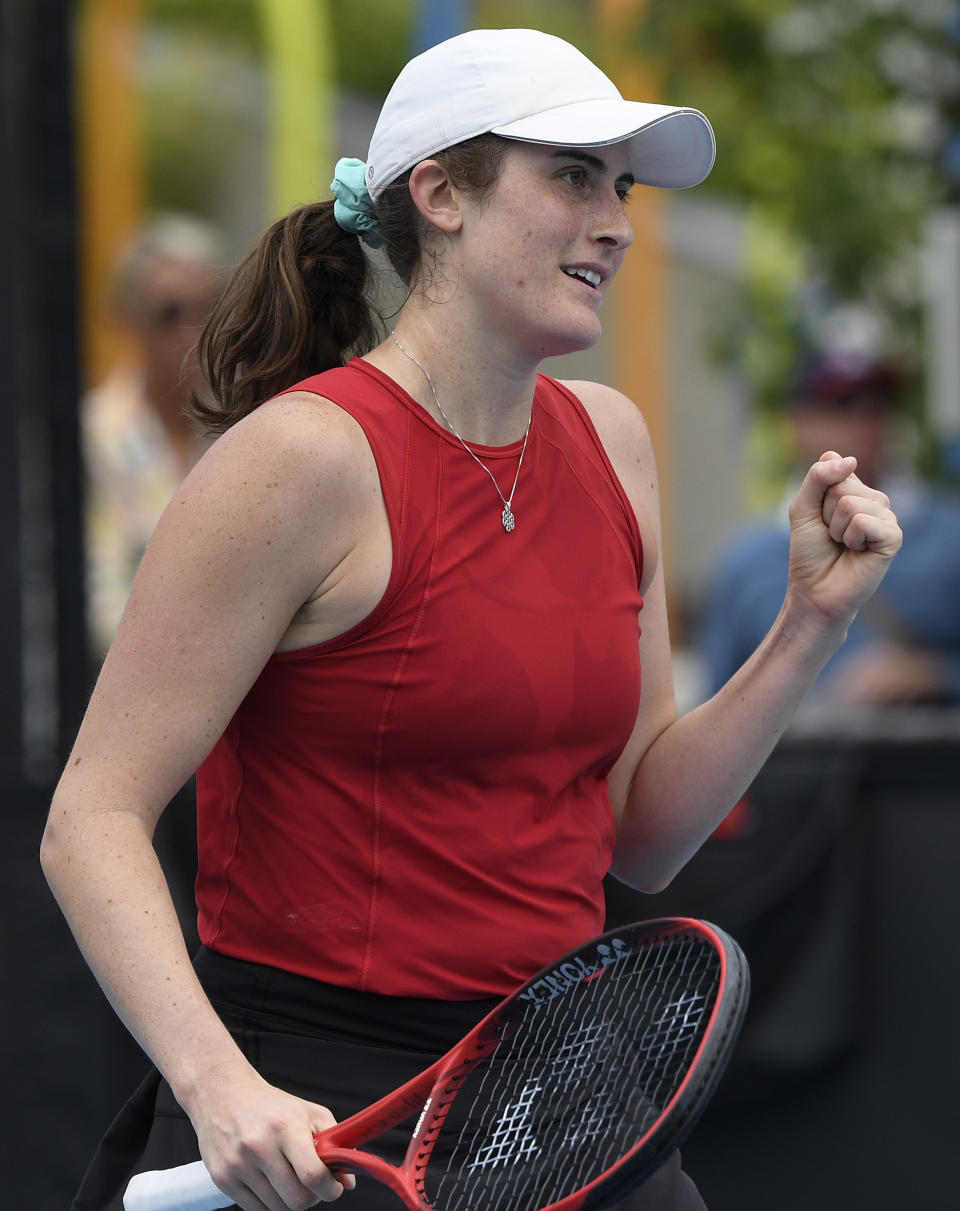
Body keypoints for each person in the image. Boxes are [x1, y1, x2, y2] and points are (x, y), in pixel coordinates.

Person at [41, 28, 902, 1211]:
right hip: (319, 1101)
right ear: (441, 194)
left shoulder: (613, 439)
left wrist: (810, 623)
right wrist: (217, 1086)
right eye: (572, 175)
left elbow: (640, 835)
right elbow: (90, 815)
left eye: (624, 185)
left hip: (554, 1086)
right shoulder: (299, 460)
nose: (617, 221)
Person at [701, 348, 960, 705]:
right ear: (796, 424)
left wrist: (933, 675)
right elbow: (714, 703)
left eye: (877, 406)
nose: (864, 422)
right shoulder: (747, 562)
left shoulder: (951, 537)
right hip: (795, 759)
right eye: (842, 406)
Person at [82, 214, 226, 659]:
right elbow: (97, 598)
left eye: (210, 308)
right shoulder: (96, 435)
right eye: (170, 313)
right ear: (128, 318)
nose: (193, 329)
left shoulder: (244, 420)